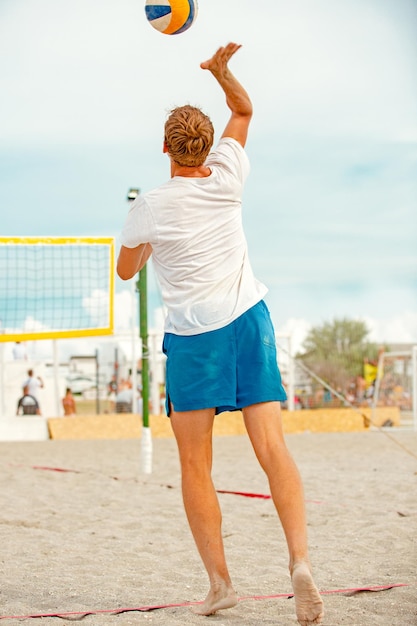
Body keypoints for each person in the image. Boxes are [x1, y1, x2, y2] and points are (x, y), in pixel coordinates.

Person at [117, 43, 323, 626]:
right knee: (273, 451)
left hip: (195, 338)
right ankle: (300, 562)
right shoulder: (230, 173)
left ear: (165, 148)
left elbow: (127, 269)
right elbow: (244, 111)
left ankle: (220, 585)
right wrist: (221, 72)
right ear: (208, 148)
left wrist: (151, 239)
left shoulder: (151, 206)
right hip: (248, 321)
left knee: (195, 467)